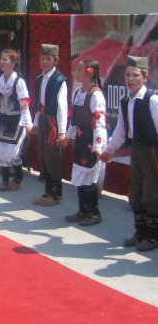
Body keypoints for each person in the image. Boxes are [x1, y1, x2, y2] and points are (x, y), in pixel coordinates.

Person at [100, 56, 158, 251]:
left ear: (145, 77)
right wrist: (109, 150)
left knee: (151, 194)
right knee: (135, 193)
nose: (130, 79)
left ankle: (153, 236)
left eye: (135, 75)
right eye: (127, 75)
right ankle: (140, 232)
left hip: (153, 152)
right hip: (137, 152)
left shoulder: (152, 100)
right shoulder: (125, 101)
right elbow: (121, 131)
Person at [61, 58, 107, 226]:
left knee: (89, 175)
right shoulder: (77, 92)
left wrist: (98, 146)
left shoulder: (95, 95)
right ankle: (83, 210)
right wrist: (67, 137)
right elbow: (74, 119)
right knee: (80, 173)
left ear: (89, 73)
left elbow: (99, 123)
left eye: (79, 70)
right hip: (81, 138)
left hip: (92, 138)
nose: (76, 73)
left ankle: (94, 213)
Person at [0, 49, 32, 191]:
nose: (1, 62)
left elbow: (24, 105)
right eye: (0, 59)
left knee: (12, 151)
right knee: (1, 150)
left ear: (13, 63)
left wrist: (28, 124)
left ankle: (17, 178)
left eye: (5, 60)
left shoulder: (18, 82)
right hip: (4, 120)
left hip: (17, 120)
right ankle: (5, 181)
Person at [30, 43, 69, 206]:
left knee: (52, 158)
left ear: (56, 61)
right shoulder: (39, 79)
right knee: (43, 157)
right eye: (42, 58)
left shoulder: (60, 81)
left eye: (48, 59)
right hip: (44, 120)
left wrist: (61, 131)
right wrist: (36, 123)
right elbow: (39, 104)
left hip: (53, 123)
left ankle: (56, 194)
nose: (44, 62)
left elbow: (62, 108)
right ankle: (47, 192)